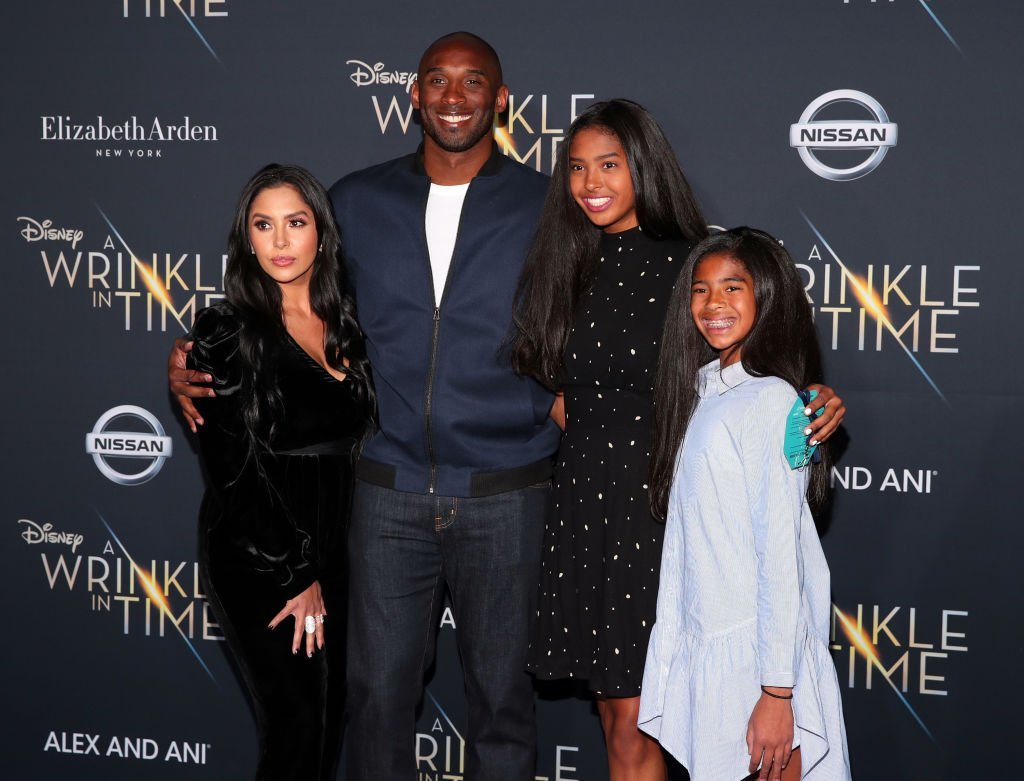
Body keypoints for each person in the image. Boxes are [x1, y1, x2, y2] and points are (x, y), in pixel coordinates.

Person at [172, 33, 559, 780]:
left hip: (507, 489)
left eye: (473, 81)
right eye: (437, 81)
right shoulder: (355, 199)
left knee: (503, 706)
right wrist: (189, 358)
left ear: (501, 98)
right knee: (375, 701)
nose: (454, 96)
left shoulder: (548, 206)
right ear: (411, 96)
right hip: (385, 492)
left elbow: (629, 313)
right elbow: (288, 307)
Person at [511, 102, 845, 779]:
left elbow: (748, 366)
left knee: (651, 716)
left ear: (644, 165)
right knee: (616, 715)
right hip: (582, 503)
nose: (590, 181)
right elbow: (543, 377)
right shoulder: (565, 260)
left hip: (658, 508)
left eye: (609, 164)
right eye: (576, 167)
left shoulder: (688, 265)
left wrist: (815, 398)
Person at [639, 228, 851, 780]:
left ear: (768, 294)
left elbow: (781, 556)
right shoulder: (710, 391)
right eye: (701, 289)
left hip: (760, 669)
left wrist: (778, 694)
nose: (713, 304)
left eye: (733, 287)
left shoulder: (771, 400)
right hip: (723, 653)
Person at [187, 164, 372, 780]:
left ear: (322, 231)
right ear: (247, 239)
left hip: (339, 551)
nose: (282, 241)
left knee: (326, 726)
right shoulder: (226, 333)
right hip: (259, 552)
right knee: (295, 729)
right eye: (263, 226)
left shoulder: (349, 323)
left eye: (296, 223)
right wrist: (297, 573)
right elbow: (233, 470)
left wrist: (325, 567)